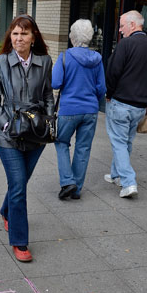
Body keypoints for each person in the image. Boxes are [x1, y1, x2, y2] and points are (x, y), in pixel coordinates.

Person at [0, 14, 54, 262]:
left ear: (33, 37)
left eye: (24, 33)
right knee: (19, 187)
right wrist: (6, 124)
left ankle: (6, 211)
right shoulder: (0, 62)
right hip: (9, 137)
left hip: (36, 135)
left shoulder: (45, 62)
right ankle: (20, 242)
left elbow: (47, 94)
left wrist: (48, 119)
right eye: (15, 33)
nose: (19, 38)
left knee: (20, 183)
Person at [105, 10, 147, 198]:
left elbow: (113, 71)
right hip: (140, 107)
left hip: (121, 103)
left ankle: (128, 182)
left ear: (132, 25)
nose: (120, 30)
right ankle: (117, 175)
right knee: (126, 142)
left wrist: (109, 93)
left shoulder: (126, 44)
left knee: (119, 143)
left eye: (122, 26)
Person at [52, 19, 106, 200]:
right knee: (83, 148)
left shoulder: (65, 57)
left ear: (72, 36)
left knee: (61, 143)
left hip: (69, 110)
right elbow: (101, 88)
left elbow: (55, 82)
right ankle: (76, 189)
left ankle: (67, 181)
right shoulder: (97, 59)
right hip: (90, 110)